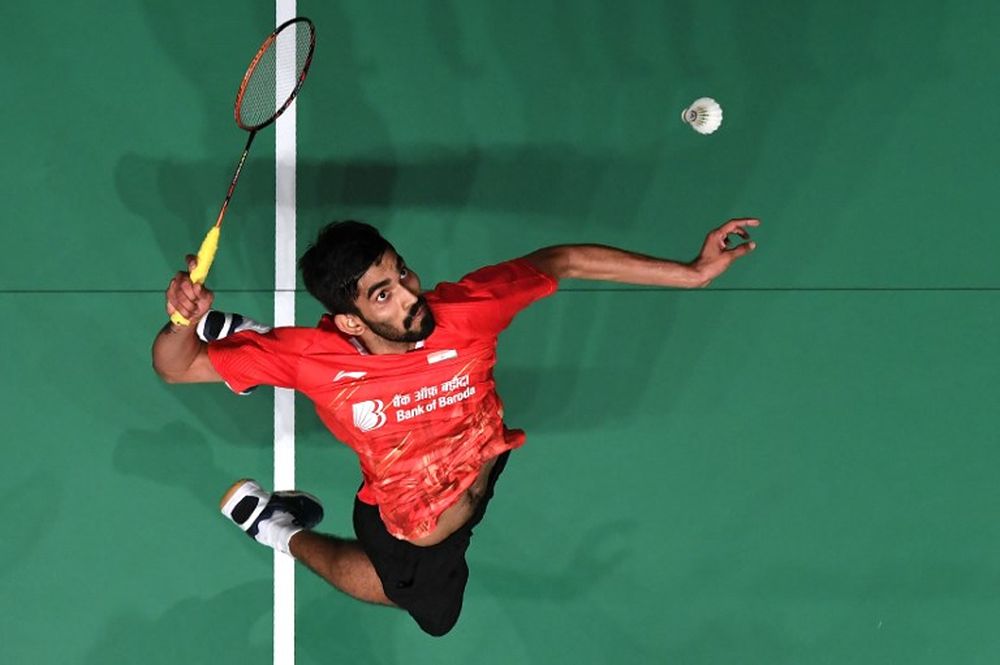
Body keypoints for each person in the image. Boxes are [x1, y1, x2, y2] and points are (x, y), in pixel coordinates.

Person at [152, 217, 760, 636]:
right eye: (383, 296)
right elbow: (176, 369)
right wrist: (181, 321)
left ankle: (252, 346)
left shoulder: (464, 312)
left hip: (483, 460)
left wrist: (694, 273)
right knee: (433, 616)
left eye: (403, 275)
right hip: (408, 524)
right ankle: (279, 528)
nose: (411, 297)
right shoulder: (319, 358)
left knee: (282, 354)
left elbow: (564, 260)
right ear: (349, 323)